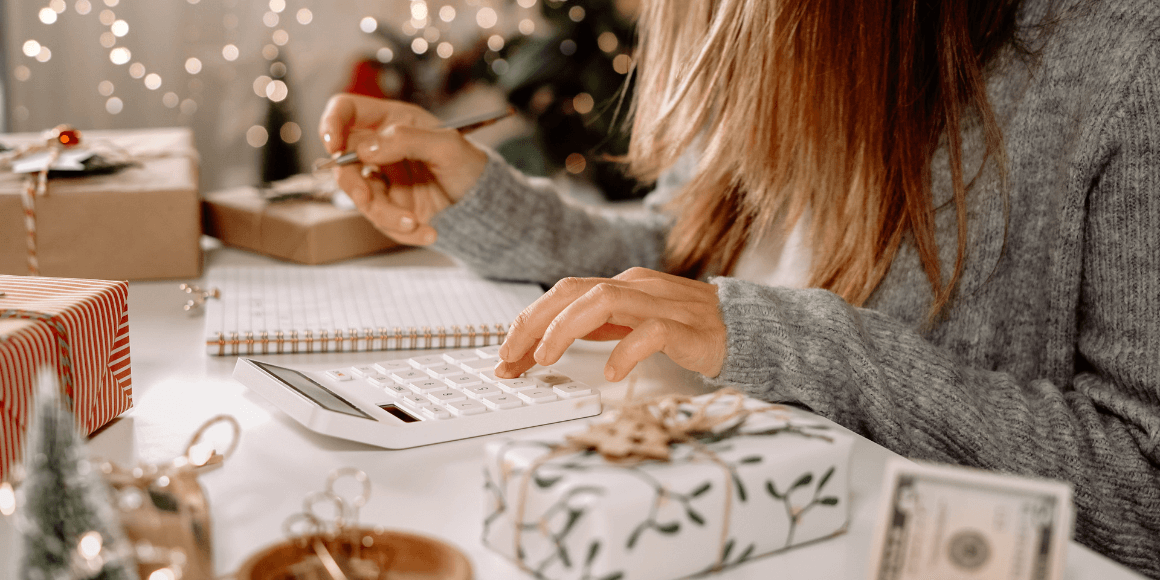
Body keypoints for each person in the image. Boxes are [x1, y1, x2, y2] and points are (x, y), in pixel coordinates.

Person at [319, 0, 1160, 575]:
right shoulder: (757, 34)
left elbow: (1144, 492)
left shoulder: (1120, 64)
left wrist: (783, 340)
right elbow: (679, 255)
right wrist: (478, 193)